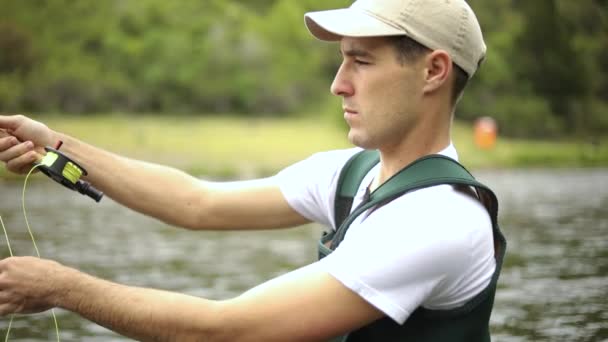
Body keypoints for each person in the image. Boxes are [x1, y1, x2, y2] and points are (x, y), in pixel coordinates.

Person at [0, 0, 506, 341]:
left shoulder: (437, 220)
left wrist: (60, 288)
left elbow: (227, 330)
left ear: (434, 71)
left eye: (361, 62)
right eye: (341, 61)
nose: (339, 84)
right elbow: (196, 203)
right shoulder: (350, 174)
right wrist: (56, 145)